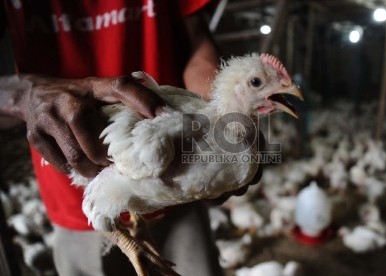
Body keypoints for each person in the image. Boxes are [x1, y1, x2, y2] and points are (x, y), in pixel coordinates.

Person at [0, 1, 259, 275]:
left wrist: (225, 118)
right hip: (79, 174)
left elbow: (196, 42)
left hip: (178, 181)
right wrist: (25, 94)